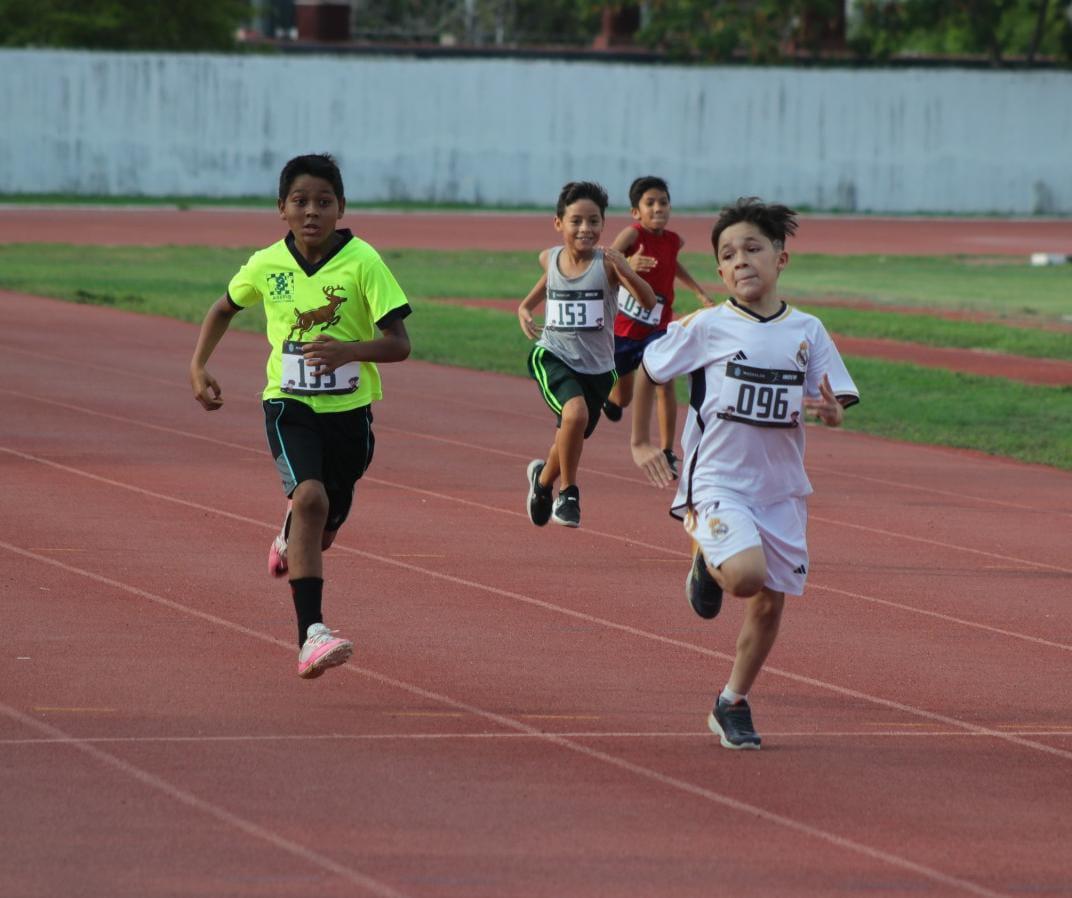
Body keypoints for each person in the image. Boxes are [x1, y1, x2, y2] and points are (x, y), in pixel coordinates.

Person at [631, 197, 859, 749]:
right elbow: (649, 366)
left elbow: (834, 397)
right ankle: (707, 565)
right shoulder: (708, 326)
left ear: (781, 258)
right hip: (718, 482)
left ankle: (731, 702)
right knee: (746, 576)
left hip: (780, 489)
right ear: (719, 271)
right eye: (728, 255)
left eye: (753, 249)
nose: (741, 262)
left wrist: (832, 412)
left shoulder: (808, 330)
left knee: (768, 601)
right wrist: (641, 441)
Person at [189, 153, 412, 679]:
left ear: (341, 208)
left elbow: (399, 344)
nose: (312, 211)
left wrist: (348, 351)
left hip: (350, 412)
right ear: (281, 209)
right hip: (287, 403)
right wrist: (198, 365)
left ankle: (293, 534)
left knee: (323, 525)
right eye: (300, 201)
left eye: (323, 202)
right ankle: (312, 635)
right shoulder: (267, 264)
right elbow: (224, 306)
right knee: (309, 497)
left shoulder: (364, 262)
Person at [518, 180, 657, 529]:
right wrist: (525, 306)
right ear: (558, 223)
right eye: (576, 221)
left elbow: (648, 301)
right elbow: (549, 280)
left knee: (570, 432)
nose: (585, 229)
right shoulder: (549, 257)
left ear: (603, 224)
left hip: (597, 368)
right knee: (575, 415)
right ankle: (569, 494)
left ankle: (543, 481)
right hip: (553, 355)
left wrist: (627, 271)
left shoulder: (608, 263)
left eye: (594, 221)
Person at [602, 176, 714, 478]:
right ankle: (611, 400)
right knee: (623, 397)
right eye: (649, 203)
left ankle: (667, 451)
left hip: (659, 327)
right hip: (625, 330)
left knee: (665, 382)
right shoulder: (632, 235)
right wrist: (628, 265)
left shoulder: (672, 240)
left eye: (663, 202)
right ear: (636, 212)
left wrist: (698, 291)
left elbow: (674, 263)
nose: (658, 208)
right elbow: (606, 259)